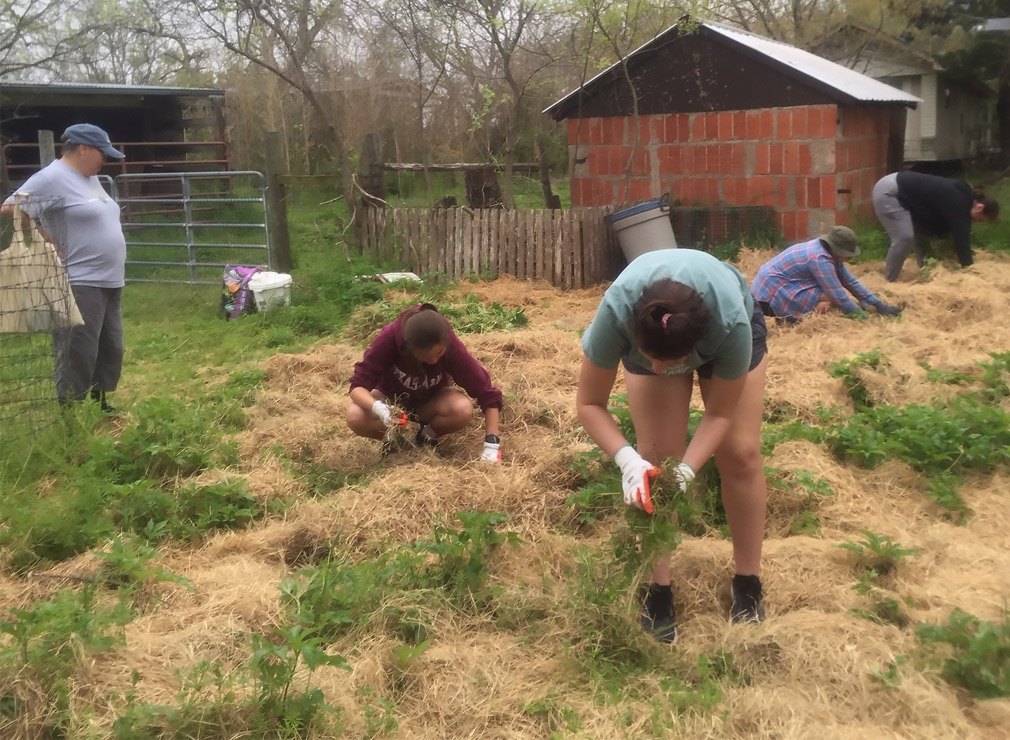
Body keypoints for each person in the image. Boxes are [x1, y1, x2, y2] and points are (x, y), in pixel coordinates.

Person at [576, 248, 768, 642]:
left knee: (741, 453)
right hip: (650, 323)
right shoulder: (616, 314)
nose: (663, 372)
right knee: (656, 462)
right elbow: (589, 403)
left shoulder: (730, 325)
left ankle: (748, 583)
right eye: (653, 363)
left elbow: (719, 413)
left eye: (673, 364)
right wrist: (628, 460)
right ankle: (658, 591)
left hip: (723, 319)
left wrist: (689, 471)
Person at [1, 123, 126, 411]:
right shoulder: (51, 177)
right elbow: (10, 207)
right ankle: (71, 408)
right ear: (83, 149)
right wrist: (47, 239)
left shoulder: (90, 178)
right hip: (79, 278)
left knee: (110, 345)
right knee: (78, 347)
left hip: (110, 279)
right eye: (102, 153)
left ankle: (99, 399)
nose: (105, 160)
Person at [346, 302, 504, 463]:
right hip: (391, 400)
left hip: (431, 402)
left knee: (462, 409)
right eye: (424, 356)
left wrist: (491, 446)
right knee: (356, 416)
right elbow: (357, 386)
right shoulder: (389, 338)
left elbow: (486, 393)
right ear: (409, 347)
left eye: (439, 353)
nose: (434, 360)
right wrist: (379, 408)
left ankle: (426, 437)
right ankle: (396, 440)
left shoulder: (450, 344)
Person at [751, 226, 902, 323]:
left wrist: (878, 304)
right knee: (831, 298)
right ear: (837, 249)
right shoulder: (819, 258)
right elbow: (836, 293)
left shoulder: (826, 251)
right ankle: (798, 320)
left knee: (829, 299)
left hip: (783, 284)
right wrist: (858, 316)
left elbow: (850, 281)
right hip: (770, 295)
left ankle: (802, 314)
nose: (847, 257)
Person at [872, 170, 999, 282]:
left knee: (922, 233)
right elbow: (962, 243)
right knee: (904, 237)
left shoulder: (964, 195)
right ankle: (889, 281)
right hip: (890, 193)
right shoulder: (960, 205)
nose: (977, 222)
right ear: (980, 207)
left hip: (900, 188)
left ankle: (925, 270)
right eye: (980, 219)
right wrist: (969, 271)